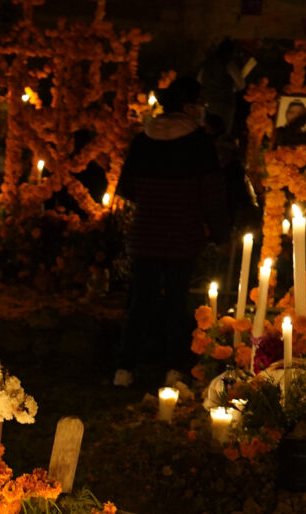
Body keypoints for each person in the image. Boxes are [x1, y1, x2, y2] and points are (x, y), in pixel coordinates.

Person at [114, 74, 227, 390]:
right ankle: (173, 368)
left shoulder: (143, 140)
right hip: (181, 232)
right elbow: (212, 194)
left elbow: (129, 188)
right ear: (190, 107)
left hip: (146, 231)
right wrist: (220, 234)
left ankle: (125, 367)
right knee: (177, 302)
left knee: (141, 299)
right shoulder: (199, 144)